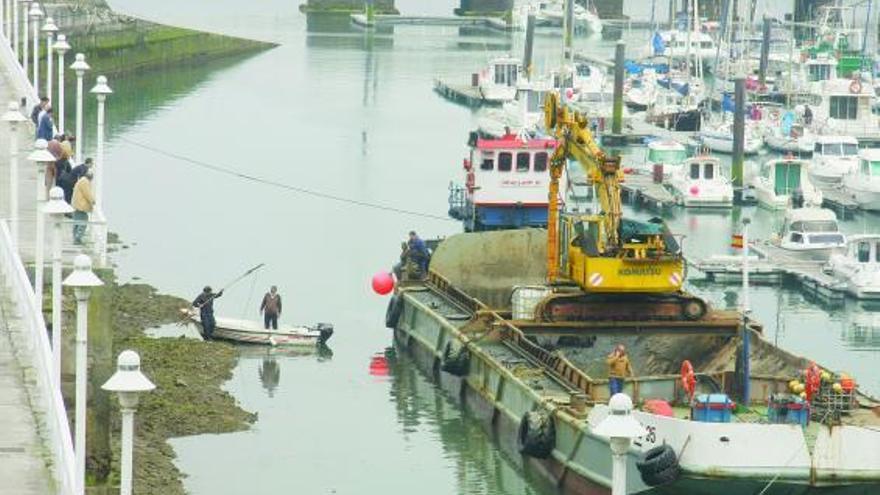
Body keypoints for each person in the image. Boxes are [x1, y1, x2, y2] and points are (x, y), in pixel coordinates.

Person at [71, 171, 95, 244]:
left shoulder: (81, 180)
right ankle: (78, 238)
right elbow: (87, 194)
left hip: (76, 204)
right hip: (81, 205)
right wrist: (93, 201)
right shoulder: (85, 182)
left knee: (77, 222)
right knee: (83, 221)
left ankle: (75, 237)